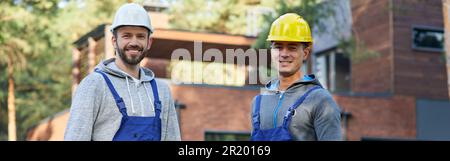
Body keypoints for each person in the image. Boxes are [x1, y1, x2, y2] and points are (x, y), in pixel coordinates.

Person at [64, 3, 181, 141]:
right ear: (114, 41)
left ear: (149, 42)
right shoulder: (94, 85)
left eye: (140, 36)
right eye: (127, 36)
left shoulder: (162, 91)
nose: (134, 42)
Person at [250, 13, 342, 141]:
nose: (284, 54)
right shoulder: (259, 102)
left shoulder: (321, 100)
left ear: (305, 53)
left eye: (292, 48)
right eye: (278, 47)